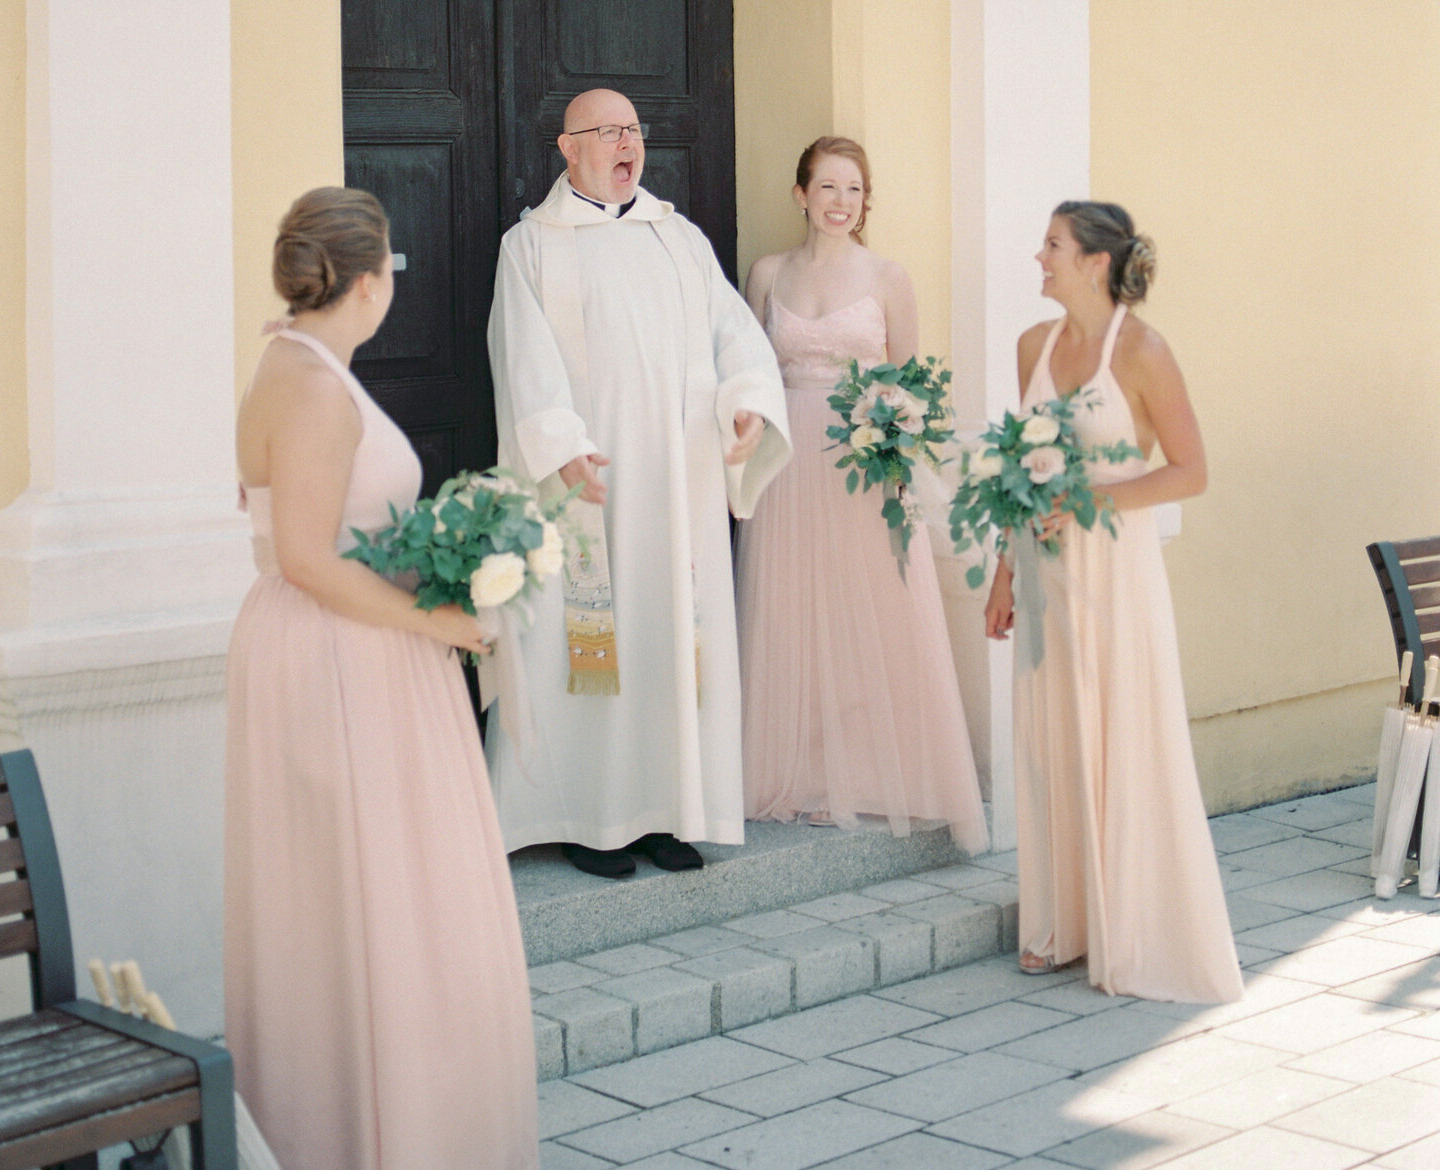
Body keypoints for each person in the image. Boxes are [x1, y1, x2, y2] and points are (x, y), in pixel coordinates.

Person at [224, 187, 537, 1170]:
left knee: (359, 890)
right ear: (367, 279)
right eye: (393, 267)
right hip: (340, 662)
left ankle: (372, 1140)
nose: (395, 284)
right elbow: (309, 558)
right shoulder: (310, 387)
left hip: (334, 646)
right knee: (369, 888)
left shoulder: (297, 367)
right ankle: (371, 1164)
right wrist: (441, 620)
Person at [486, 88, 791, 877]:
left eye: (633, 130)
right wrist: (560, 447)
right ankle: (590, 817)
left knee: (665, 635)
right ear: (568, 147)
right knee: (589, 640)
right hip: (588, 481)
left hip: (677, 483)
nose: (626, 144)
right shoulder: (532, 247)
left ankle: (664, 810)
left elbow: (735, 334)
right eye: (607, 131)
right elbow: (523, 361)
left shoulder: (677, 237)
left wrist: (749, 402)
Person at [984, 200, 1241, 1004]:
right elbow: (1015, 470)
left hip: (1115, 576)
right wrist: (1003, 573)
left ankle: (1128, 924)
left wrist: (1093, 495)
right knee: (1048, 737)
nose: (1040, 257)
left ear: (1095, 261)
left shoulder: (1143, 350)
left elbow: (1189, 471)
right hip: (1043, 568)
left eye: (1053, 245)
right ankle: (1058, 924)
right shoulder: (1032, 345)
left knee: (1119, 733)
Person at [737, 137, 988, 846]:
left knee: (863, 608)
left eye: (854, 189)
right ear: (801, 194)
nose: (840, 202)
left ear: (864, 200)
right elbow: (750, 369)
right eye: (827, 187)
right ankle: (798, 769)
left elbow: (911, 382)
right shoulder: (766, 272)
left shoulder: (889, 277)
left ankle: (870, 770)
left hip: (864, 465)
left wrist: (895, 436)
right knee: (789, 607)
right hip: (785, 464)